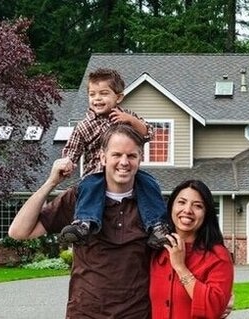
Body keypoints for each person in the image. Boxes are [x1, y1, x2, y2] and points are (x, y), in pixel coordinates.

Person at [9, 124, 157, 318]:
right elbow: (18, 232)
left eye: (131, 156)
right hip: (85, 313)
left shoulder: (152, 206)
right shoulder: (80, 198)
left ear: (140, 159)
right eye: (116, 155)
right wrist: (51, 183)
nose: (124, 162)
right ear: (103, 158)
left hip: (136, 313)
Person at [59, 68, 169, 248]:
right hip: (96, 173)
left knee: (149, 183)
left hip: (125, 171)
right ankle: (83, 224)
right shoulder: (85, 125)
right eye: (92, 94)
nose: (97, 99)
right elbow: (73, 147)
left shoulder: (127, 117)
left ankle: (157, 226)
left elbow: (148, 133)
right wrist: (68, 162)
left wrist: (131, 121)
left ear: (118, 97)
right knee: (88, 187)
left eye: (104, 93)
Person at [150, 179, 234, 319]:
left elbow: (212, 309)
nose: (187, 210)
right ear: (171, 207)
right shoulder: (155, 250)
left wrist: (180, 267)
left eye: (197, 206)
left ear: (206, 213)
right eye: (181, 202)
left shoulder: (218, 256)